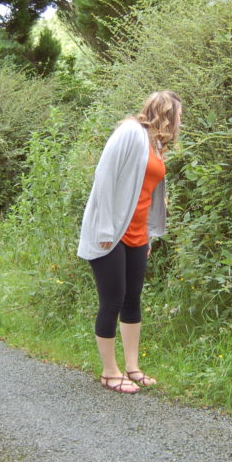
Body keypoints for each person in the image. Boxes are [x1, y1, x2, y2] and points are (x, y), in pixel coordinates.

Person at [77, 90, 182, 394]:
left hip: (137, 235)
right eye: (178, 116)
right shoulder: (130, 133)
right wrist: (107, 231)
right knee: (112, 300)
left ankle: (132, 367)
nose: (180, 122)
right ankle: (110, 372)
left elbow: (148, 194)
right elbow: (104, 178)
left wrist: (148, 234)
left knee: (132, 299)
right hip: (110, 233)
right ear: (166, 113)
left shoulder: (157, 145)